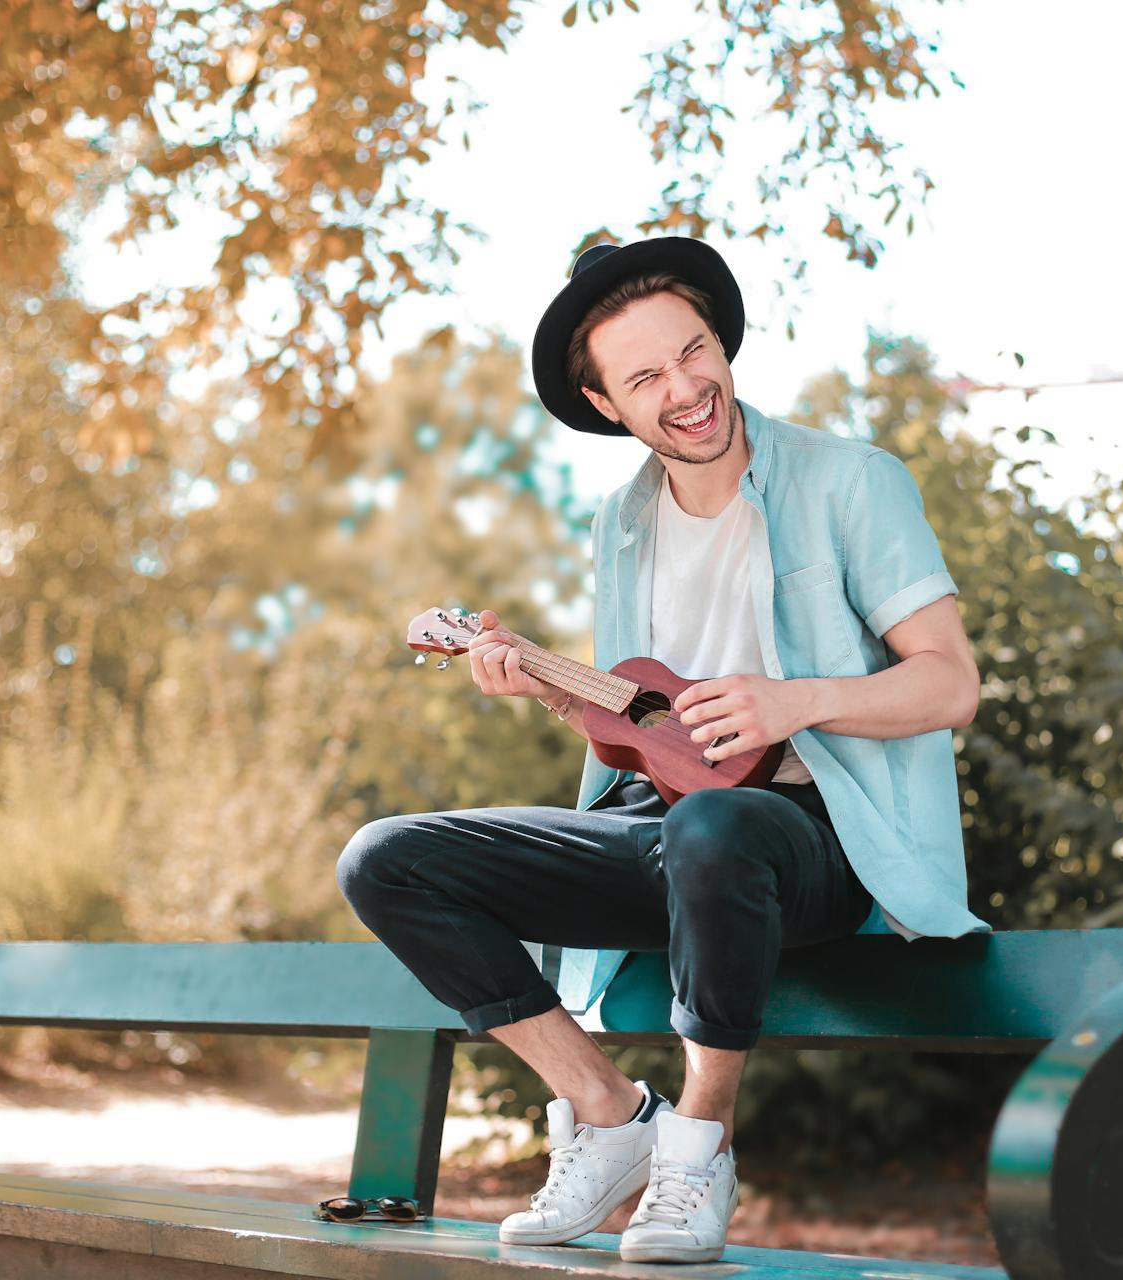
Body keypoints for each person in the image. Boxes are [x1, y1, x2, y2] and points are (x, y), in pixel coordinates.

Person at [336, 235, 986, 1263]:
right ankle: (606, 1111)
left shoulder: (851, 481)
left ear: (720, 342)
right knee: (386, 858)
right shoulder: (622, 523)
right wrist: (550, 687)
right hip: (669, 831)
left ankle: (701, 1145)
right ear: (606, 404)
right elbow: (654, 730)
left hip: (815, 839)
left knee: (717, 827)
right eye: (645, 378)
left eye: (692, 353)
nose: (685, 389)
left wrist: (794, 702)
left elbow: (952, 685)